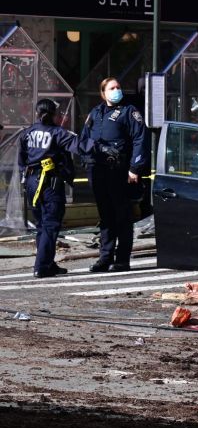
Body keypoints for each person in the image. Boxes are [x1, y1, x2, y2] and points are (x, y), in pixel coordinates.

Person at [80, 78, 148, 273]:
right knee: (106, 215)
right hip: (99, 171)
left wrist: (135, 168)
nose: (116, 90)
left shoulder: (129, 111)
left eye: (118, 87)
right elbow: (85, 139)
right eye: (112, 88)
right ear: (103, 93)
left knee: (122, 215)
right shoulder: (96, 113)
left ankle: (122, 259)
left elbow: (139, 140)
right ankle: (105, 257)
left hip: (120, 170)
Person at [19, 99, 78, 278]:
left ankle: (49, 263)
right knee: (50, 225)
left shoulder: (27, 133)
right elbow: (80, 146)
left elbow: (21, 160)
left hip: (31, 183)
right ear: (54, 114)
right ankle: (42, 266)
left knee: (41, 226)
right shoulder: (58, 133)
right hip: (50, 185)